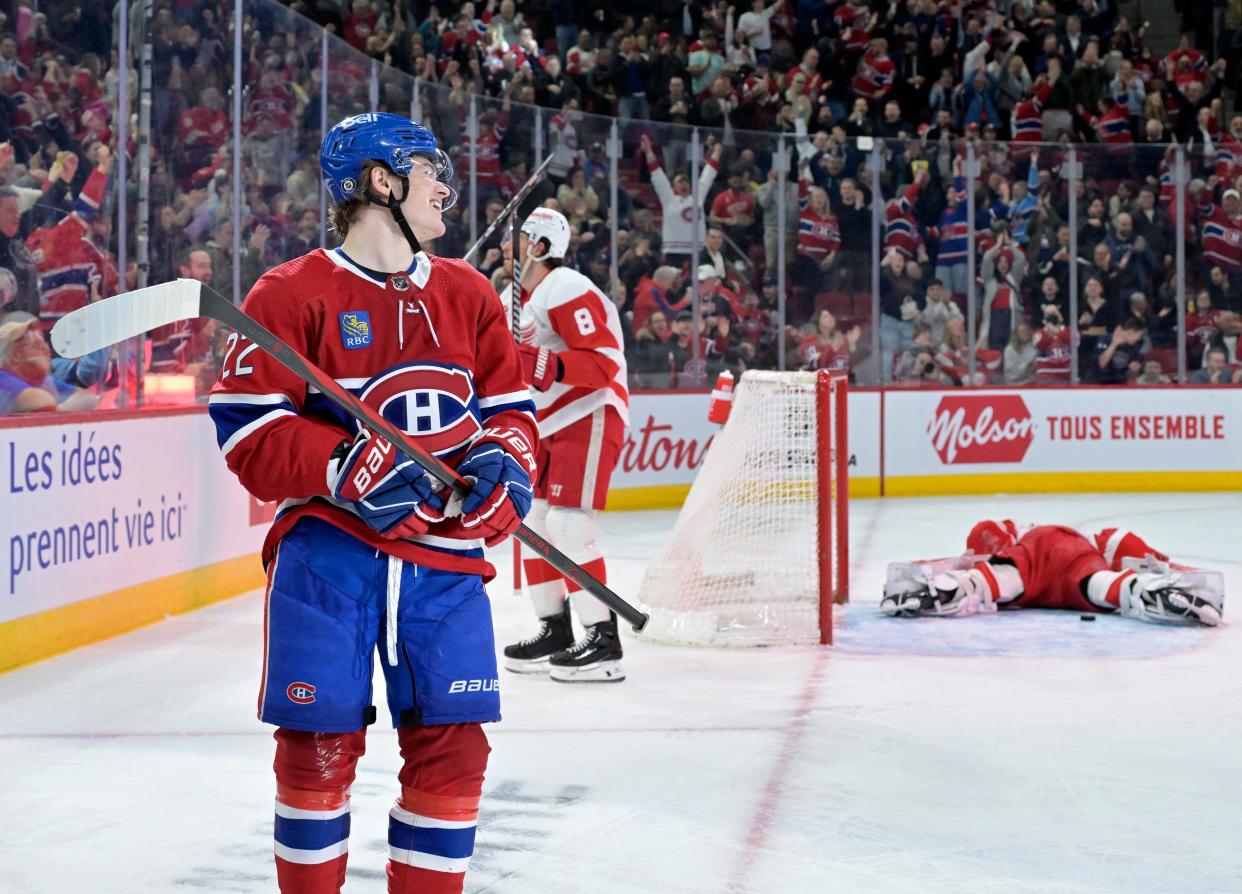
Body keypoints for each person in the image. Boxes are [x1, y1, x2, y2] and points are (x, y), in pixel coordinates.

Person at [207, 113, 538, 894]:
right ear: (381, 181)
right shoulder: (290, 293)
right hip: (329, 559)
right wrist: (339, 463)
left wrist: (509, 465)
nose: (445, 188)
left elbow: (511, 408)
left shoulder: (468, 291)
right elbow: (244, 427)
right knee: (316, 747)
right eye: (428, 171)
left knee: (455, 749)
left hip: (446, 561)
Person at [499, 207, 630, 683]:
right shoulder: (510, 297)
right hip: (545, 421)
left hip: (589, 410)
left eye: (516, 239)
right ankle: (554, 628)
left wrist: (536, 364)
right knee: (533, 523)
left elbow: (602, 365)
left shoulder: (566, 287)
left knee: (569, 524)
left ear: (539, 245)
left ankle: (603, 639)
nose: (504, 247)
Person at [881, 519, 1222, 626]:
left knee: (994, 580)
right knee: (1104, 586)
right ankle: (1159, 593)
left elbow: (986, 542)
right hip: (1076, 561)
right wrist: (1169, 568)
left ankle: (934, 592)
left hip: (1040, 556)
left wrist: (948, 567)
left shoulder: (1020, 534)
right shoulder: (1096, 541)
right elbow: (1123, 542)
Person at [0, 312, 96, 414]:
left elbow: (88, 398)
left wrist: (59, 409)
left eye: (44, 343)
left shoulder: (42, 380)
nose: (45, 351)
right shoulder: (3, 378)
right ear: (16, 355)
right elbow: (42, 402)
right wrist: (59, 406)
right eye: (36, 345)